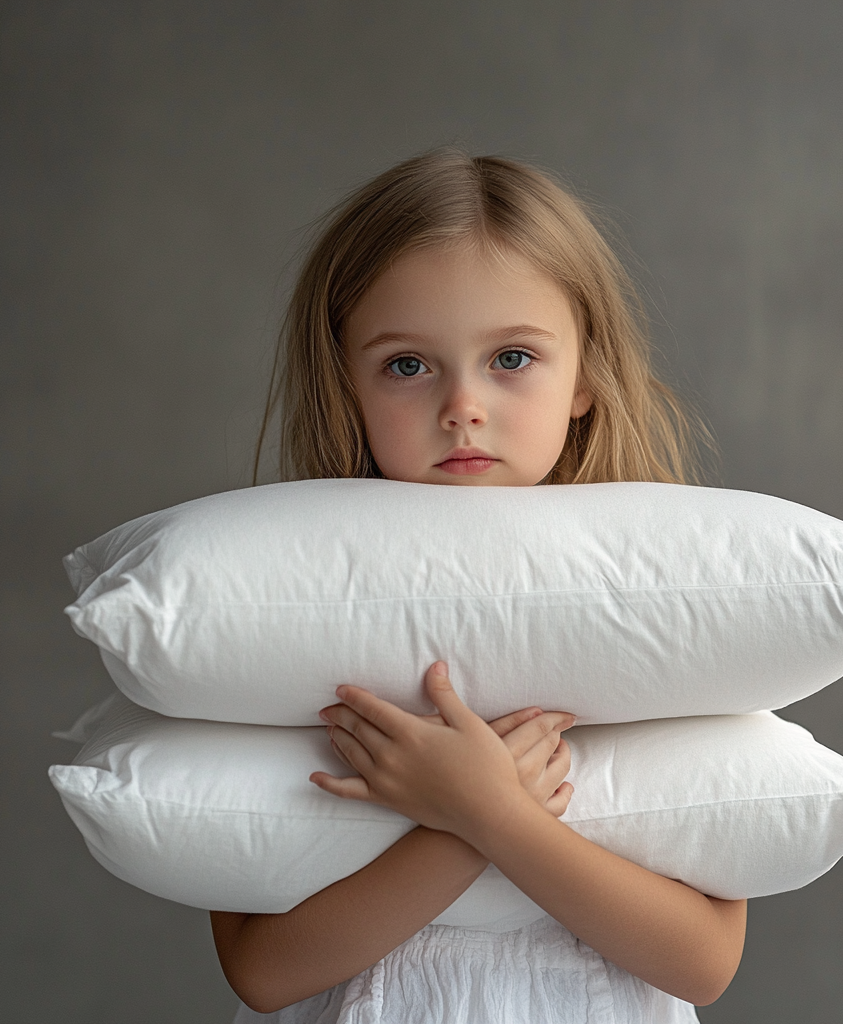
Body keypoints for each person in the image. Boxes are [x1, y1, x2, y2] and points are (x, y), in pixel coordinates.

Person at [211, 150, 745, 1023]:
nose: (463, 405)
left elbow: (705, 962)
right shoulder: (285, 606)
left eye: (512, 357)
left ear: (585, 375)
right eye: (408, 366)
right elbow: (265, 973)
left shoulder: (663, 604)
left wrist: (493, 813)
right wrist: (468, 820)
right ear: (344, 379)